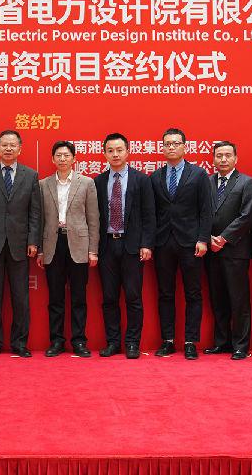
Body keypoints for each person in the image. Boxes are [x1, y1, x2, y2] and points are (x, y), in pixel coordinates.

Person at [0, 130, 41, 358]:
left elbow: (35, 213)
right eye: (4, 145)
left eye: (13, 145)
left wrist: (33, 241)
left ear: (20, 149)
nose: (8, 149)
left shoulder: (30, 175)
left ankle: (19, 343)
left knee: (20, 298)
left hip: (20, 244)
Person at [150, 128, 212, 360]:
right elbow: (152, 213)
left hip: (191, 243)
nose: (171, 147)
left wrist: (203, 239)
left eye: (176, 143)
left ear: (185, 147)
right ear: (162, 148)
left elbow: (206, 210)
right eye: (167, 144)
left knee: (193, 293)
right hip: (163, 242)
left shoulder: (198, 174)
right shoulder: (155, 176)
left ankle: (190, 341)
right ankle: (167, 340)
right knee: (165, 293)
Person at [94, 133, 155, 359]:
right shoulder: (98, 181)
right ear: (104, 153)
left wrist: (147, 244)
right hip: (107, 246)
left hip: (133, 247)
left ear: (128, 151)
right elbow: (94, 217)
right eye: (110, 150)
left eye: (119, 150)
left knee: (133, 297)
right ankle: (112, 342)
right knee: (109, 298)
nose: (115, 154)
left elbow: (149, 215)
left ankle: (132, 343)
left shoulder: (142, 180)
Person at [36, 141, 99, 358]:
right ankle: (56, 341)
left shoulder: (87, 183)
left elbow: (93, 219)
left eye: (66, 155)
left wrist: (93, 250)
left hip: (79, 245)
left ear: (74, 159)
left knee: (79, 297)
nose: (62, 159)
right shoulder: (43, 184)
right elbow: (40, 220)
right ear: (52, 159)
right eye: (58, 156)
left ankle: (79, 341)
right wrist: (41, 250)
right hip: (52, 244)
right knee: (55, 298)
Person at [204, 141, 252, 360]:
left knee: (239, 300)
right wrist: (207, 237)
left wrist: (224, 238)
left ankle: (240, 346)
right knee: (218, 299)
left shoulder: (246, 183)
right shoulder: (207, 182)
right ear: (213, 159)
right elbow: (200, 213)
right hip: (211, 249)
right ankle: (221, 342)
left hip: (235, 250)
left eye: (227, 155)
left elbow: (247, 216)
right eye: (219, 156)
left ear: (236, 158)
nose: (223, 159)